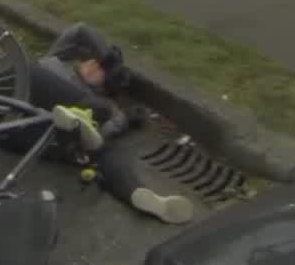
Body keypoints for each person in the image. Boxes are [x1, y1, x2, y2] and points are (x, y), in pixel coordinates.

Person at [16, 24, 195, 225]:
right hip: (15, 95)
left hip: (25, 134)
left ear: (104, 86)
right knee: (30, 69)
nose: (92, 64)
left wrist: (126, 119)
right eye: (95, 61)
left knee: (102, 150)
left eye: (100, 69)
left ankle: (137, 193)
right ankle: (75, 122)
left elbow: (103, 133)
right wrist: (105, 55)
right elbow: (80, 31)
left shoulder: (105, 105)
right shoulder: (59, 60)